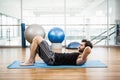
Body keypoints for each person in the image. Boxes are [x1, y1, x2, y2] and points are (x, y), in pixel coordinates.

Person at [20, 36, 93, 66]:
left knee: (37, 38)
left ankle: (30, 61)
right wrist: (85, 48)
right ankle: (32, 60)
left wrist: (87, 49)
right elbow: (86, 50)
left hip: (52, 59)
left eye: (81, 45)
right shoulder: (79, 55)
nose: (79, 46)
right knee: (34, 43)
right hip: (52, 55)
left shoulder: (82, 59)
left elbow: (86, 54)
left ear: (85, 48)